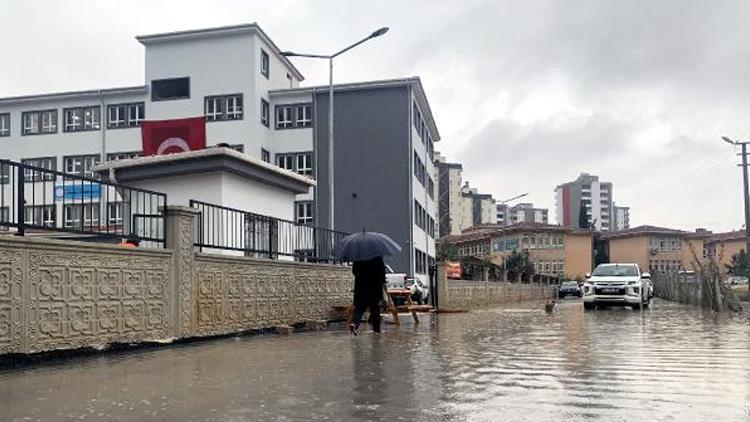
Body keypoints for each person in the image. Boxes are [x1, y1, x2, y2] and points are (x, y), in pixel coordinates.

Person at [349, 255, 386, 335]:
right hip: (375, 287)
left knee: (359, 308)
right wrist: (382, 282)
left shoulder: (358, 256)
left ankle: (354, 323)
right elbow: (382, 272)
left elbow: (354, 271)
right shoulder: (378, 256)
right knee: (375, 308)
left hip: (361, 286)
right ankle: (376, 330)